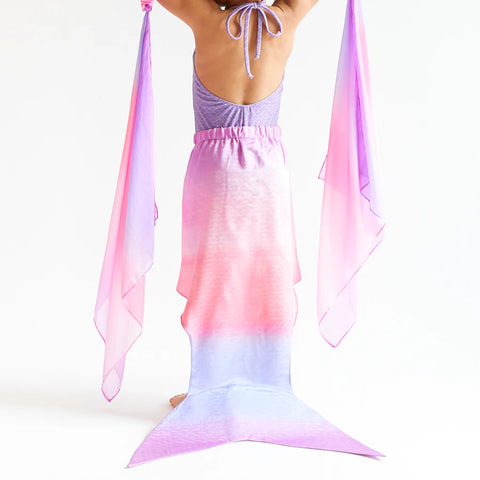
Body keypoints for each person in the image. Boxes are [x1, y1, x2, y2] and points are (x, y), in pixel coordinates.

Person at [163, 0, 318, 408]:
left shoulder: (207, 20)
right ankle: (266, 384)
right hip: (268, 173)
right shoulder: (283, 20)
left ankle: (208, 387)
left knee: (215, 283)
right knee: (267, 278)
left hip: (216, 172)